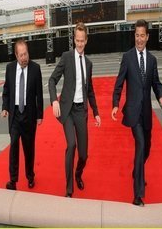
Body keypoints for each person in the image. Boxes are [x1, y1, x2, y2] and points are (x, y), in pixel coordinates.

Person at [111, 19, 162, 207]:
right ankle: (138, 194)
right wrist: (115, 104)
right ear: (134, 36)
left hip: (147, 114)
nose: (139, 39)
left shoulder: (152, 60)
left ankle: (137, 170)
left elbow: (156, 83)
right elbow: (119, 83)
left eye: (142, 35)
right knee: (141, 145)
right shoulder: (127, 57)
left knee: (147, 148)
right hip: (133, 112)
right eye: (137, 35)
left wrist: (161, 96)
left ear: (147, 37)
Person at [48, 22, 101, 198]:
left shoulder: (89, 63)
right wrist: (54, 100)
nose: (79, 44)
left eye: (82, 40)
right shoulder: (66, 57)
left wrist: (96, 112)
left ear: (86, 40)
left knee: (84, 155)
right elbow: (51, 80)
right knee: (71, 145)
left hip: (81, 112)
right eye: (76, 40)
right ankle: (69, 188)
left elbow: (90, 90)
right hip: (67, 110)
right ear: (74, 40)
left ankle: (78, 174)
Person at [1, 39, 44, 190]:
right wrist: (5, 107)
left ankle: (30, 176)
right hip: (14, 115)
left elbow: (39, 93)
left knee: (28, 148)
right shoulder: (10, 68)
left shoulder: (35, 68)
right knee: (13, 148)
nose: (24, 57)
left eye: (25, 54)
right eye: (21, 55)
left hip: (29, 115)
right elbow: (6, 91)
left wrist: (40, 115)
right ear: (16, 55)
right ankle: (13, 180)